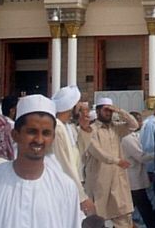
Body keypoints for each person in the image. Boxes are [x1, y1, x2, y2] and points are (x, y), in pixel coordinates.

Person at [0, 94, 83, 227]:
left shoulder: (65, 187)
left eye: (46, 133)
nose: (39, 140)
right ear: (15, 135)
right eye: (32, 132)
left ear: (53, 137)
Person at [81, 97, 138, 228]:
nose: (109, 113)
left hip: (117, 180)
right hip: (99, 181)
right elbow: (97, 152)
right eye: (106, 110)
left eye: (110, 110)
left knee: (123, 216)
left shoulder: (116, 128)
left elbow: (134, 125)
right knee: (97, 218)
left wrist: (119, 110)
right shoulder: (90, 130)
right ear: (98, 110)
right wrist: (117, 161)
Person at [51, 85, 94, 216]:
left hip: (76, 183)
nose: (83, 111)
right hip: (65, 187)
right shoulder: (57, 128)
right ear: (71, 107)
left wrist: (85, 129)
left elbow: (81, 151)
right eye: (79, 107)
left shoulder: (68, 127)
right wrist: (81, 196)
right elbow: (65, 164)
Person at [121, 111, 155, 228]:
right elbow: (140, 157)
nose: (141, 123)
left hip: (135, 178)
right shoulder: (127, 138)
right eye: (139, 120)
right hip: (133, 179)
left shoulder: (132, 135)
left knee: (137, 207)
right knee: (144, 207)